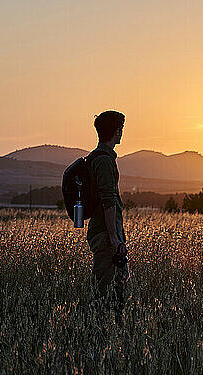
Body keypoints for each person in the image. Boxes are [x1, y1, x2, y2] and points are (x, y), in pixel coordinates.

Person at [87, 110, 128, 323]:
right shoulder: (104, 161)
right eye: (121, 128)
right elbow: (108, 199)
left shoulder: (101, 158)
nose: (122, 132)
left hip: (106, 233)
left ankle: (112, 332)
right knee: (106, 290)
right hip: (106, 235)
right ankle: (101, 334)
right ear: (116, 131)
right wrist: (114, 237)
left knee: (117, 285)